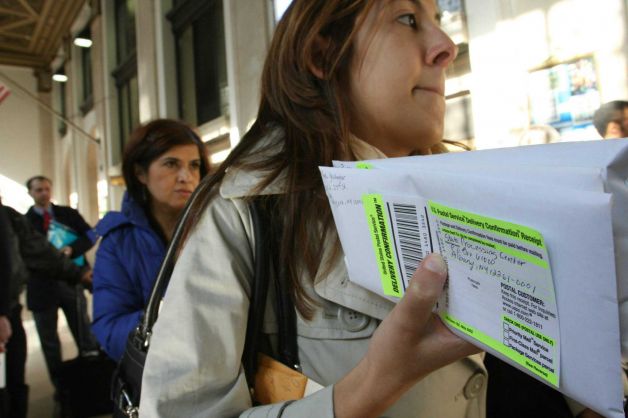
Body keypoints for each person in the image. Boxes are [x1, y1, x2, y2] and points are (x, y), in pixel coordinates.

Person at [141, 1, 487, 417]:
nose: (446, 47)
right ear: (323, 55)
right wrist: (370, 387)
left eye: (438, 20)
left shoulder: (472, 196)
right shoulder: (243, 213)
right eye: (408, 19)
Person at [91, 119, 210, 361]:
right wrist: (172, 310)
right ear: (140, 173)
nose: (186, 176)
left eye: (194, 165)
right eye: (171, 164)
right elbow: (110, 332)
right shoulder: (118, 242)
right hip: (155, 379)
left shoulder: (217, 229)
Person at [0, 199, 91, 418]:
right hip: (25, 304)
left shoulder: (8, 217)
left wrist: (78, 274)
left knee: (13, 385)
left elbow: (39, 252)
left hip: (9, 314)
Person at [24, 175, 100, 398]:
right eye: (38, 190)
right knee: (50, 343)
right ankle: (62, 389)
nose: (44, 193)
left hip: (72, 281)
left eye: (47, 188)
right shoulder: (25, 222)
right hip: (42, 287)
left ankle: (92, 383)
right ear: (30, 193)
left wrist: (71, 250)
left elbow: (91, 235)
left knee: (84, 333)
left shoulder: (68, 214)